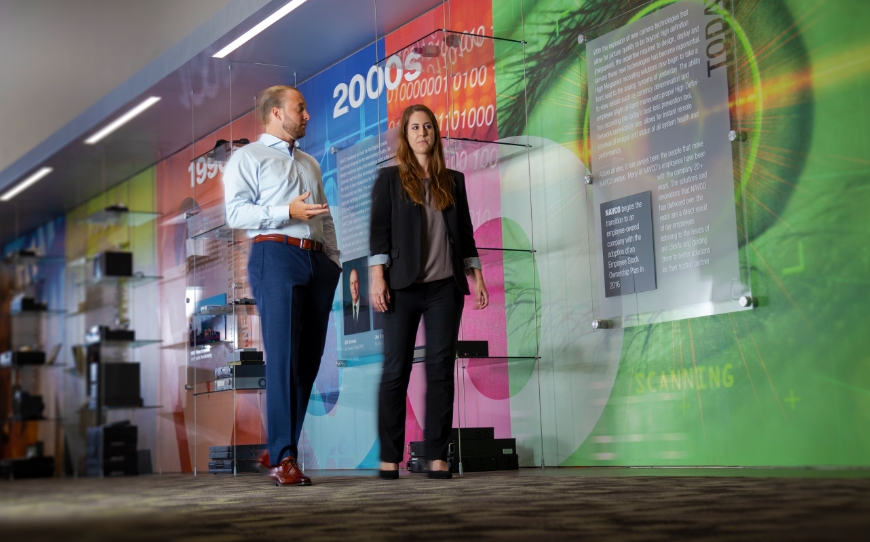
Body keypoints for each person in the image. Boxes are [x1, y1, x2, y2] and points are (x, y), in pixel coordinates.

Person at [224, 85, 341, 486]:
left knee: (308, 362)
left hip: (317, 260)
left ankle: (279, 444)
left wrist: (335, 263)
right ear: (276, 112)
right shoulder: (248, 156)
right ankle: (284, 457)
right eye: (300, 108)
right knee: (284, 357)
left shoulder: (310, 162)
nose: (307, 115)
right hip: (275, 255)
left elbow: (324, 218)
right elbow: (236, 212)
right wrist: (284, 211)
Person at [369, 104, 489, 480]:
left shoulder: (452, 180)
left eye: (428, 127)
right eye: (415, 128)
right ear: (406, 136)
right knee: (395, 371)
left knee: (440, 371)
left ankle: (437, 456)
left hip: (444, 289)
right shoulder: (389, 179)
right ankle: (390, 456)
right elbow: (379, 234)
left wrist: (477, 277)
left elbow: (465, 233)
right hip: (401, 287)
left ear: (435, 133)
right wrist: (377, 277)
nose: (422, 133)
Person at [343, 268, 371, 335]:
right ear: (349, 286)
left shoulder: (368, 305)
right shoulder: (346, 310)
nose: (354, 288)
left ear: (359, 283)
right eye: (352, 283)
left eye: (355, 282)